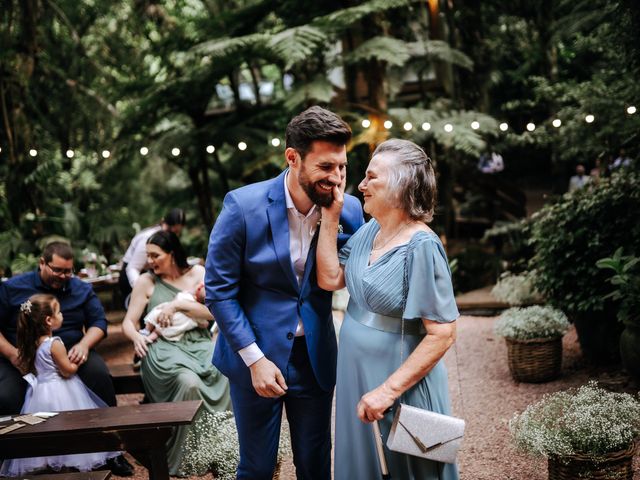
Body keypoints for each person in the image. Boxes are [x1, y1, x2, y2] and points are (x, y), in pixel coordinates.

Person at [205, 106, 364, 479]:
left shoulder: (350, 210)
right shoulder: (242, 206)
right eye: (325, 167)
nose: (337, 178)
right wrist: (254, 359)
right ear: (292, 158)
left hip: (315, 356)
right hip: (255, 356)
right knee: (257, 468)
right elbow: (218, 291)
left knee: (314, 464)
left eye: (341, 166)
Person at [316, 139, 459, 480]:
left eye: (371, 177)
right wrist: (329, 216)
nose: (360, 185)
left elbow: (443, 334)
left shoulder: (422, 246)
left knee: (411, 468)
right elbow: (330, 277)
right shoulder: (369, 232)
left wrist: (388, 390)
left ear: (401, 184)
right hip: (356, 372)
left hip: (399, 379)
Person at [0, 242, 133, 476]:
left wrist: (84, 344)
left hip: (71, 353)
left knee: (99, 377)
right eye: (58, 270)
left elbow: (98, 323)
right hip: (20, 357)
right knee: (7, 396)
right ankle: (17, 455)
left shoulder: (81, 289)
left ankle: (111, 450)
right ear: (42, 263)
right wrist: (12, 354)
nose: (63, 276)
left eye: (68, 271)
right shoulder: (12, 288)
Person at [121, 230, 231, 476]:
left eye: (155, 255)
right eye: (148, 256)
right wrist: (137, 336)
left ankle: (223, 448)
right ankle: (188, 455)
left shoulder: (198, 274)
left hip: (199, 342)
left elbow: (216, 313)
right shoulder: (146, 282)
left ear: (172, 254)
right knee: (188, 382)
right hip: (164, 349)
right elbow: (129, 322)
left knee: (224, 371)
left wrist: (180, 304)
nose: (150, 261)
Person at [118, 208, 186, 303]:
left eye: (178, 232)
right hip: (132, 277)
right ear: (164, 223)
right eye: (171, 230)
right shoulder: (149, 239)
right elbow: (132, 268)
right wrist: (141, 288)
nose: (174, 235)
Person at [140, 282, 205, 342]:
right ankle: (148, 334)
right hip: (174, 320)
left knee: (158, 322)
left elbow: (178, 297)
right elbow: (204, 324)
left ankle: (147, 334)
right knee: (157, 325)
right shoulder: (189, 299)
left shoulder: (191, 301)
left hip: (174, 320)